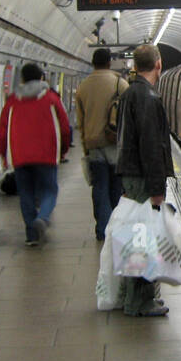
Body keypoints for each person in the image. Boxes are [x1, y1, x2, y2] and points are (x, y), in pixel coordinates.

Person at [115, 44, 175, 317]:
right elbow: (151, 147)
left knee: (135, 238)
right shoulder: (148, 97)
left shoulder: (129, 93)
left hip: (131, 174)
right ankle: (141, 302)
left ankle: (130, 298)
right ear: (158, 65)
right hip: (142, 177)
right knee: (144, 240)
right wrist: (157, 188)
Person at [0, 62, 72, 246]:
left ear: (21, 79)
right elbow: (64, 127)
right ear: (41, 78)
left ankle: (32, 235)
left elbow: (3, 129)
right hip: (46, 155)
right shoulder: (51, 99)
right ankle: (43, 217)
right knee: (49, 191)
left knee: (26, 195)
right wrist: (63, 150)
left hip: (20, 156)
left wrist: (2, 154)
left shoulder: (12, 101)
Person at [74, 48, 128, 241]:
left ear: (92, 63)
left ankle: (102, 229)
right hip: (115, 144)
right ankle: (116, 225)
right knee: (116, 188)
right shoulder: (119, 84)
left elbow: (80, 122)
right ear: (109, 63)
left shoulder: (82, 87)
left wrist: (85, 146)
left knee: (99, 188)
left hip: (94, 144)